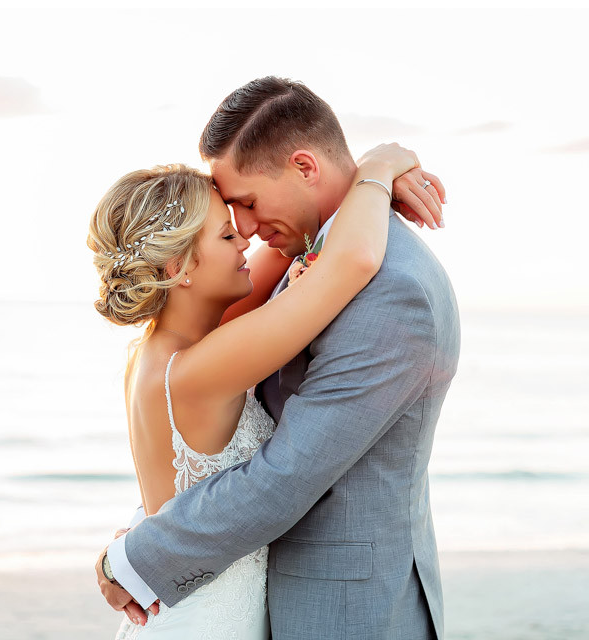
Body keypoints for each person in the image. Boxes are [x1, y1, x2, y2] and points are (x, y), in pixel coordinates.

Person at [93, 77, 460, 640]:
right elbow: (346, 258)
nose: (245, 231)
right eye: (228, 225)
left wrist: (141, 553)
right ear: (176, 268)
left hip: (340, 608)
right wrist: (378, 166)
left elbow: (284, 477)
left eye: (246, 204)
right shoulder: (206, 352)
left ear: (304, 167)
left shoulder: (390, 290)